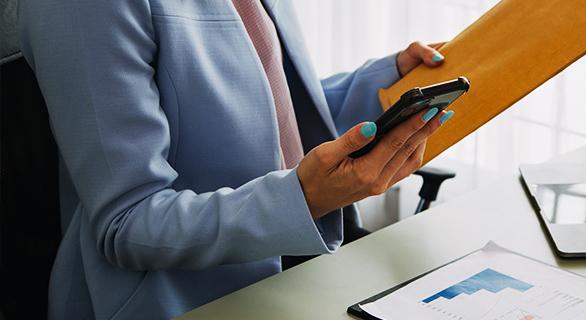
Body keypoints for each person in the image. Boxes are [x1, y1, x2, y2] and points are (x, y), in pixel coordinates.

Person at [18, 0, 454, 318]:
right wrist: (305, 199)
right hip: (186, 300)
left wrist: (384, 89)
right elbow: (128, 222)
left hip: (298, 265)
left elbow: (265, 108)